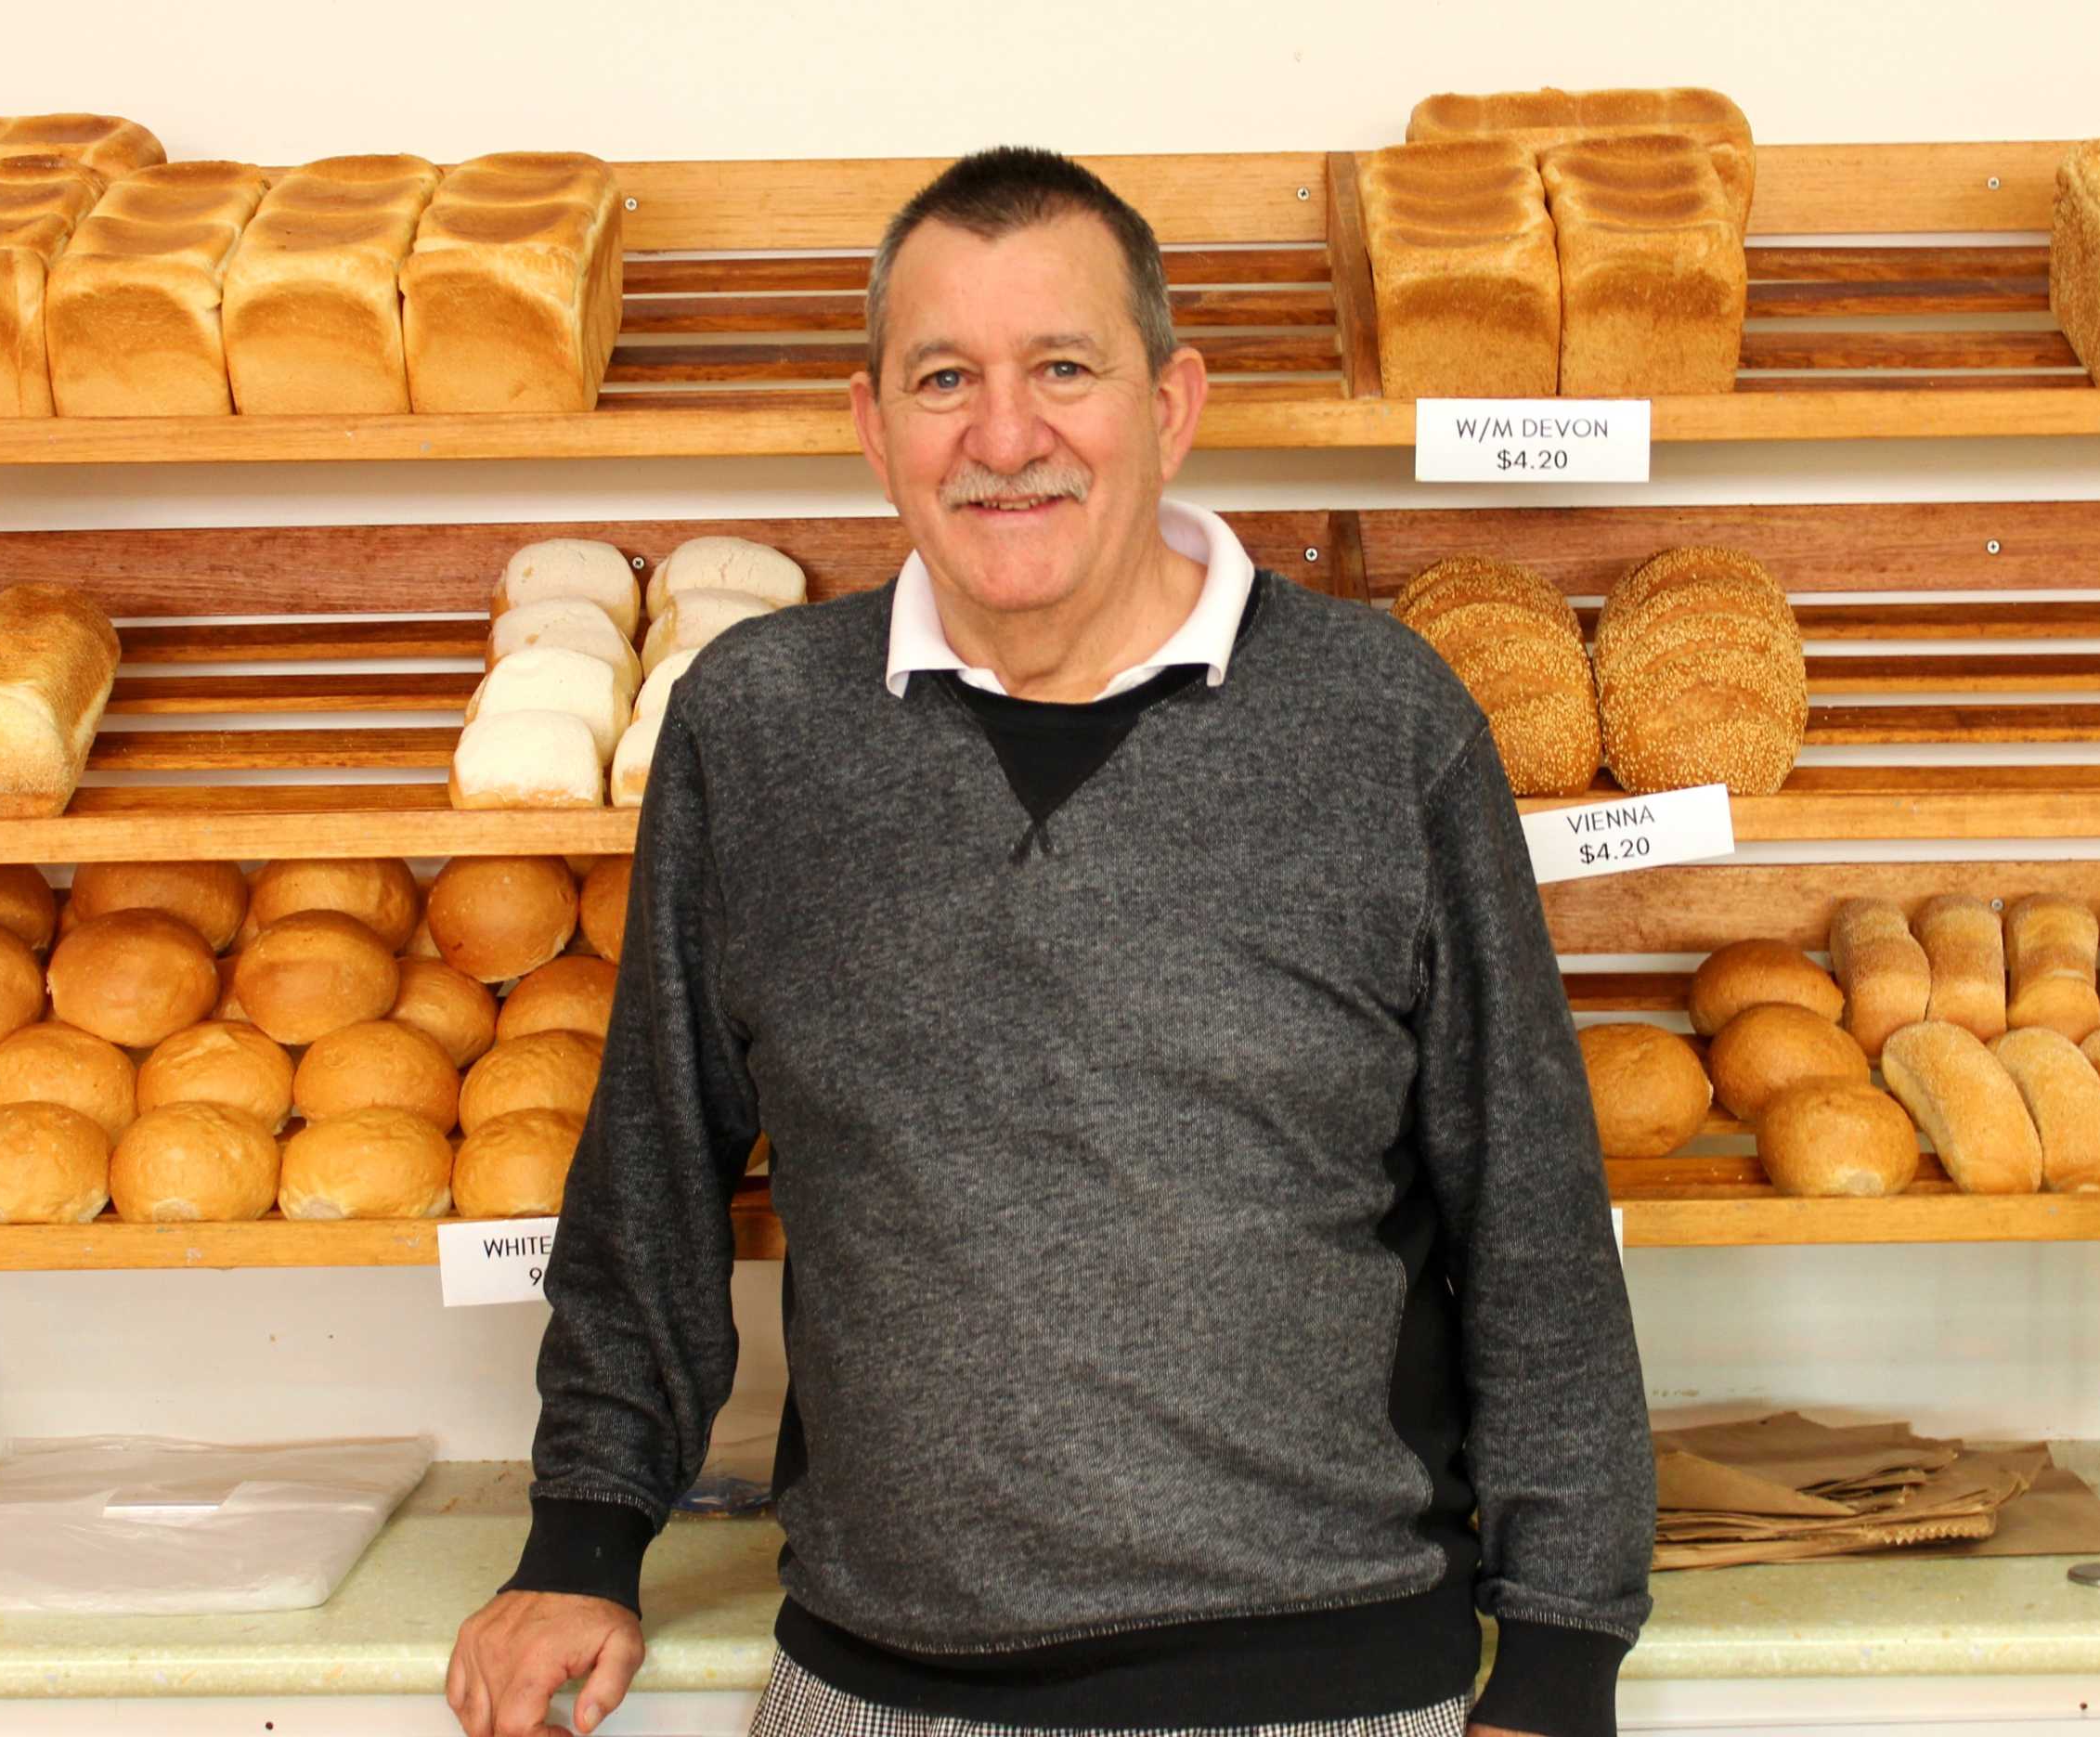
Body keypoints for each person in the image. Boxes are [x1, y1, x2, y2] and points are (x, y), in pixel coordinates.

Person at [447, 145, 1653, 1737]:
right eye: (945, 377)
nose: (1004, 437)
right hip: (878, 1688)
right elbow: (652, 1177)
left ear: (1170, 405)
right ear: (874, 427)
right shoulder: (756, 733)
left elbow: (1534, 1213)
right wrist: (584, 1541)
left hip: (1337, 1684)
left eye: (1062, 369)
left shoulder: (1381, 724)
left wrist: (1564, 1654)